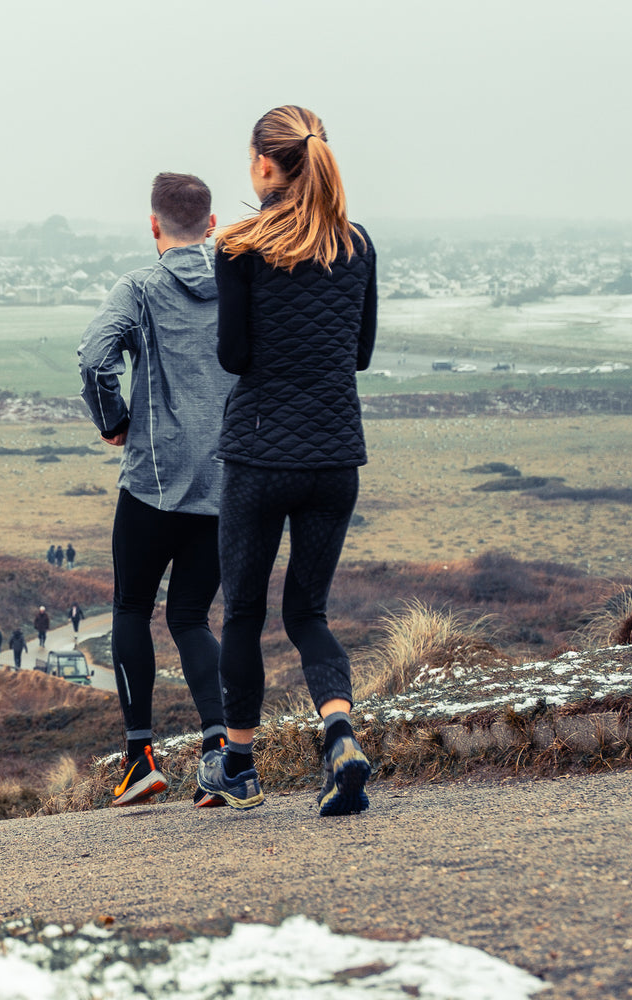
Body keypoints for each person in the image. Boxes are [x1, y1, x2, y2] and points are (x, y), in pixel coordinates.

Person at [194, 106, 378, 817]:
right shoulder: (356, 245)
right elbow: (358, 353)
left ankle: (238, 765)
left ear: (266, 166)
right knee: (308, 611)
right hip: (335, 456)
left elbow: (234, 356)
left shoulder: (239, 246)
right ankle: (339, 737)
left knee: (242, 611)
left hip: (259, 454)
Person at [78, 171, 234, 808]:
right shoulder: (238, 280)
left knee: (131, 610)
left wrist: (112, 419)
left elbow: (94, 356)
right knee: (192, 617)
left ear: (153, 225)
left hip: (152, 484)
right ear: (214, 223)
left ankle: (140, 757)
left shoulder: (140, 287)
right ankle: (222, 753)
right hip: (226, 484)